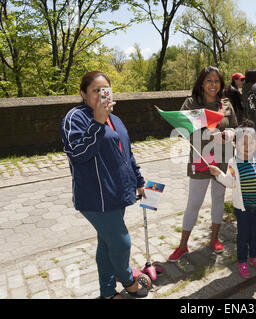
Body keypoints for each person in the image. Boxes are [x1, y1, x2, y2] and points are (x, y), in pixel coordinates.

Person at [60, 71, 148, 299]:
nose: (101, 95)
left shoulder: (115, 118)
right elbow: (77, 154)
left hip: (118, 193)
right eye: (95, 90)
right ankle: (128, 280)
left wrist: (138, 181)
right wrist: (97, 122)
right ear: (83, 94)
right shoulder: (75, 118)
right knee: (121, 242)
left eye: (105, 90)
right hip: (95, 198)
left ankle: (107, 292)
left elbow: (126, 153)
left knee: (106, 244)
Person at [168, 66, 238, 262]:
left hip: (223, 159)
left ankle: (214, 239)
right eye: (209, 80)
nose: (213, 85)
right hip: (200, 158)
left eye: (216, 81)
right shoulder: (192, 103)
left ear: (221, 84)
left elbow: (234, 128)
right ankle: (183, 246)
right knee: (194, 203)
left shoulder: (226, 104)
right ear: (201, 83)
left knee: (218, 200)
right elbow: (180, 124)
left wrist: (228, 134)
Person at [209, 120, 256, 278]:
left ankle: (254, 257)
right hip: (242, 208)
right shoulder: (234, 163)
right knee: (243, 234)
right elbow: (230, 182)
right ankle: (242, 260)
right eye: (243, 143)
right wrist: (219, 175)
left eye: (250, 142)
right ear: (235, 144)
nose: (247, 146)